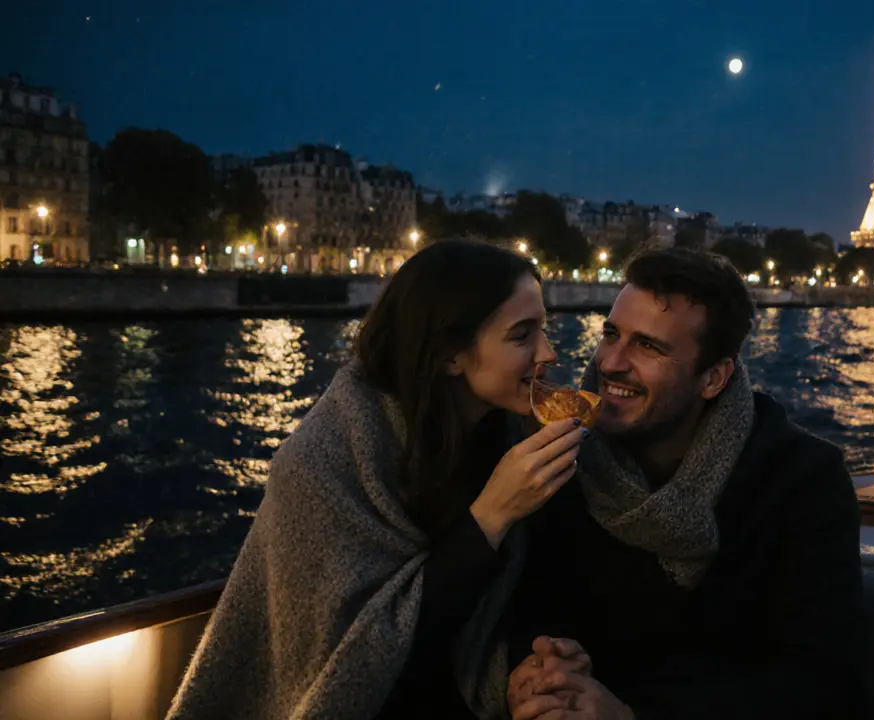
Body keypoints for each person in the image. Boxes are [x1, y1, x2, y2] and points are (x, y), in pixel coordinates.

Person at [167, 240, 586, 720]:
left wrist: (532, 662)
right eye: (522, 336)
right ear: (450, 354)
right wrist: (491, 515)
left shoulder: (512, 438)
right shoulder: (319, 463)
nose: (549, 353)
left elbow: (520, 597)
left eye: (545, 329)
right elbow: (353, 666)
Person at [502, 247, 865, 719]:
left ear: (713, 378)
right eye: (611, 333)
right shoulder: (565, 458)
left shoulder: (802, 480)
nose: (610, 362)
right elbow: (529, 606)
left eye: (647, 346)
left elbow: (820, 683)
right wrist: (535, 667)